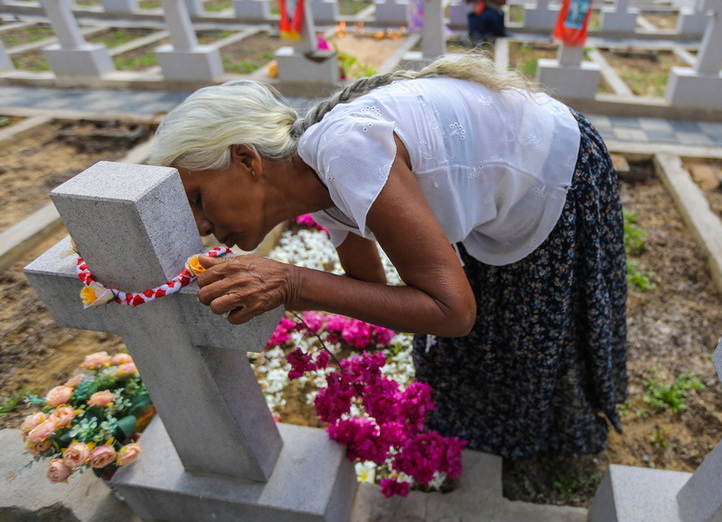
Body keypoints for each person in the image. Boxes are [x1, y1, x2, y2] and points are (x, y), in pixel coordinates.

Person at [147, 54, 628, 460]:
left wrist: (294, 282)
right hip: (502, 183)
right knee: (472, 339)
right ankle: (489, 439)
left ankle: (551, 442)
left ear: (247, 159)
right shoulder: (318, 184)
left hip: (555, 168)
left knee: (529, 328)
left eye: (196, 198)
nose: (201, 227)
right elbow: (373, 291)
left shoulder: (343, 149)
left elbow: (452, 311)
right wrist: (293, 292)